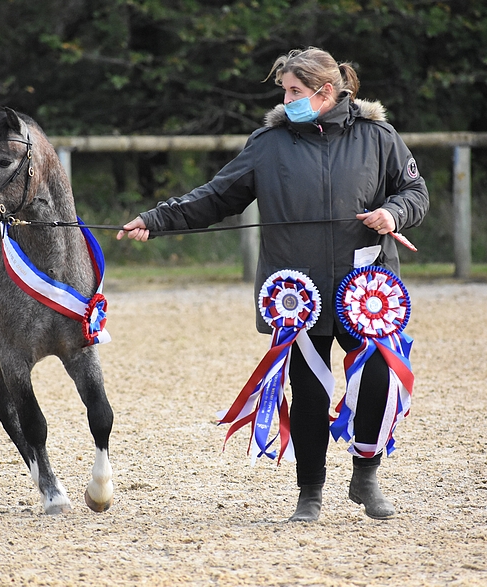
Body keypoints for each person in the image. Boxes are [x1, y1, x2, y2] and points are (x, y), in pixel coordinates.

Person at [117, 47, 428, 521]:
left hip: (364, 290)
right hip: (298, 291)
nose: (286, 99)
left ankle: (366, 473)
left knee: (379, 380)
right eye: (284, 90)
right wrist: (156, 220)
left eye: (295, 91)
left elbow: (415, 191)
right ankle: (310, 493)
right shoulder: (269, 143)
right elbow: (216, 197)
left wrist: (394, 212)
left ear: (326, 92)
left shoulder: (379, 137)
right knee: (308, 392)